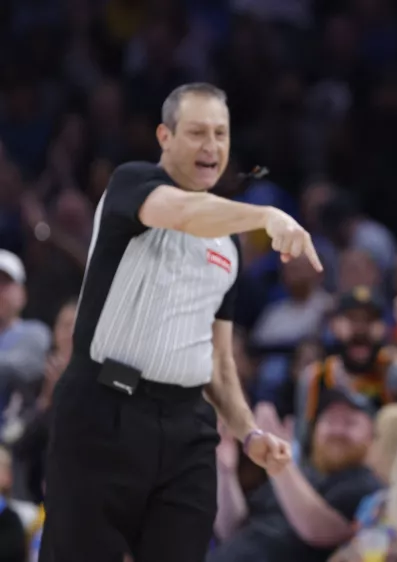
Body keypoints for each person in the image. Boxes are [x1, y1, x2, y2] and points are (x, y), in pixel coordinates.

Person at [41, 82, 322, 562]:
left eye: (220, 133)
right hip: (100, 412)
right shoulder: (133, 183)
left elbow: (219, 363)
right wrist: (268, 215)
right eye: (196, 132)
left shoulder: (228, 246)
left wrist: (248, 432)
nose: (211, 146)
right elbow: (185, 212)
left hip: (186, 430)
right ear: (164, 137)